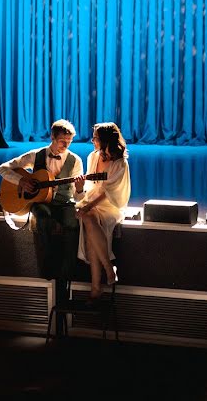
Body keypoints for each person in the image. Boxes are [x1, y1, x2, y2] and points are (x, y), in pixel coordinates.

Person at [0, 119, 83, 280]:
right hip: (41, 202)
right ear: (52, 137)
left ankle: (68, 271)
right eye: (62, 141)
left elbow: (78, 196)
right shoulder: (35, 155)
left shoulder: (75, 160)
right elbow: (2, 168)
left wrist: (80, 189)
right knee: (43, 218)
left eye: (69, 142)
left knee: (73, 223)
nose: (66, 146)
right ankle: (49, 264)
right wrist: (21, 181)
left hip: (64, 203)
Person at [73, 122, 131, 300]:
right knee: (89, 220)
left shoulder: (120, 163)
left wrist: (88, 206)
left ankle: (97, 286)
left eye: (96, 138)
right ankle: (107, 271)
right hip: (91, 203)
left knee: (88, 217)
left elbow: (109, 192)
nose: (92, 141)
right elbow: (86, 192)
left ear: (105, 140)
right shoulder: (92, 157)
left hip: (110, 206)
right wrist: (80, 189)